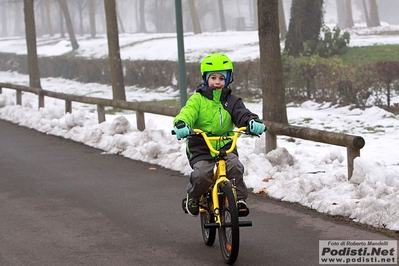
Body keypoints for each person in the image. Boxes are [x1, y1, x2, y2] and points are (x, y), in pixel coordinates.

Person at [173, 53, 266, 217]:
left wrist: (252, 122)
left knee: (235, 167)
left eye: (221, 78)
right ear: (205, 79)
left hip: (225, 143)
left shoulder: (232, 101)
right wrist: (182, 124)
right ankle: (194, 196)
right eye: (213, 77)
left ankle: (238, 199)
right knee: (202, 173)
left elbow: (242, 114)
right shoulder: (198, 100)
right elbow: (187, 113)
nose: (217, 82)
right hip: (201, 143)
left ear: (228, 80)